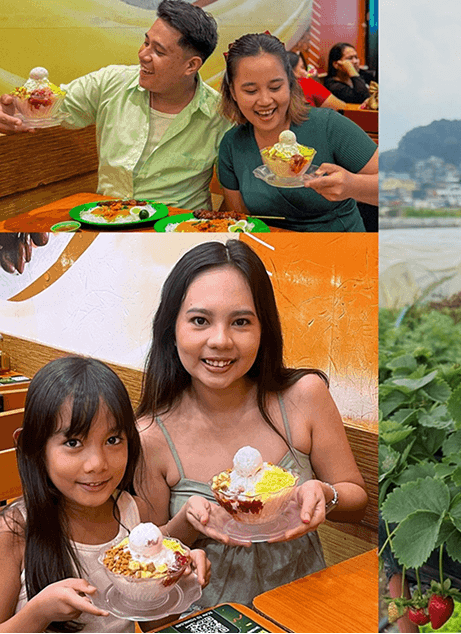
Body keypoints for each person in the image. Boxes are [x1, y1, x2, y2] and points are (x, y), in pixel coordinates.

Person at [135, 239, 369, 606]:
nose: (220, 341)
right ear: (171, 327)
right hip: (209, 618)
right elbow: (150, 552)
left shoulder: (305, 396)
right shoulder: (150, 436)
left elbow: (357, 500)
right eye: (200, 321)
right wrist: (189, 521)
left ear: (264, 328)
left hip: (305, 607)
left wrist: (325, 493)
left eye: (241, 322)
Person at [0, 356, 210, 633]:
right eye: (73, 442)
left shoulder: (131, 511)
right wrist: (39, 612)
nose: (97, 463)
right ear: (35, 447)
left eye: (113, 440)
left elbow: (155, 625)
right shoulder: (14, 532)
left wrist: (172, 583)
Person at [0, 0, 233, 211]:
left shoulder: (220, 114)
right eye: (145, 42)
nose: (143, 55)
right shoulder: (111, 82)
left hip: (178, 228)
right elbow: (53, 105)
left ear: (191, 66)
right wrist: (13, 111)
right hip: (106, 220)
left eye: (158, 51)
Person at [217, 32, 378, 231]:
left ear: (291, 84)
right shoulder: (232, 144)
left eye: (276, 87)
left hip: (341, 246)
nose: (265, 100)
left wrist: (353, 185)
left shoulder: (328, 126)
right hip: (272, 248)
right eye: (250, 91)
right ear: (232, 92)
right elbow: (242, 220)